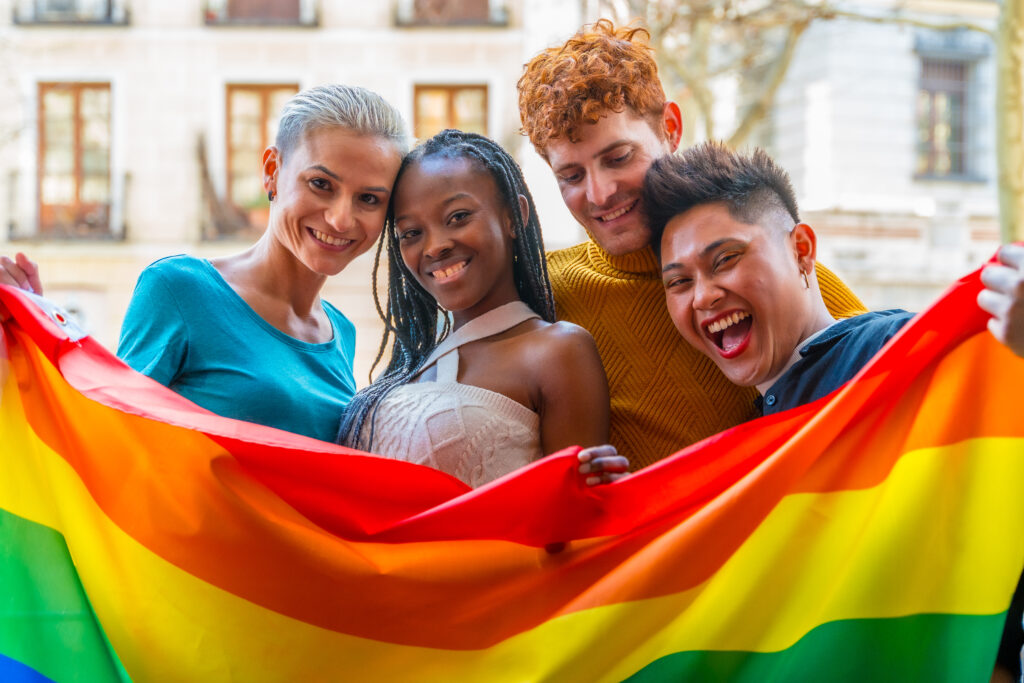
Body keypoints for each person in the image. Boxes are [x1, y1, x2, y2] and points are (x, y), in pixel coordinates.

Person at [642, 140, 1024, 682]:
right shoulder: (747, 447)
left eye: (724, 259)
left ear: (801, 250)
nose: (702, 295)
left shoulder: (896, 355)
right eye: (679, 282)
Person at [516, 20, 868, 469]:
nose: (600, 192)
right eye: (571, 176)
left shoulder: (775, 270)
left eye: (619, 158)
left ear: (671, 127)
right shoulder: (542, 293)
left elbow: (893, 371)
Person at [1, 84, 409, 442]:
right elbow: (105, 435)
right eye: (321, 184)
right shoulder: (180, 290)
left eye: (369, 199)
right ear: (272, 171)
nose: (341, 218)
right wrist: (37, 334)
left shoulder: (344, 333)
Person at [336, 130, 627, 488]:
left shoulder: (557, 351)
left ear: (513, 216)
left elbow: (577, 525)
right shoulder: (411, 364)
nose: (435, 246)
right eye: (411, 233)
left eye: (457, 216)